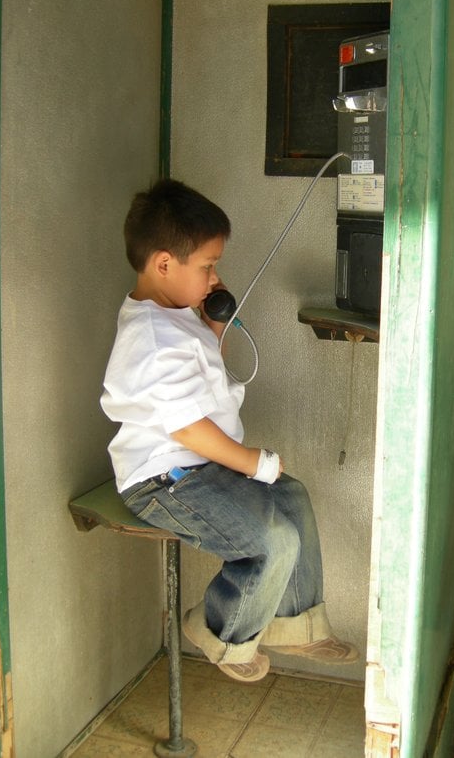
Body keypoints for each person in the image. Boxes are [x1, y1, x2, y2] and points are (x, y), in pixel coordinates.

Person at [101, 178, 358, 682]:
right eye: (208, 266)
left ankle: (296, 624)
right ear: (164, 263)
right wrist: (252, 462)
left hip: (196, 467)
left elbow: (194, 384)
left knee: (291, 497)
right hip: (163, 481)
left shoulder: (175, 314)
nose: (215, 276)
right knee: (271, 540)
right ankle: (221, 634)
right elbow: (189, 428)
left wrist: (213, 329)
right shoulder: (151, 337)